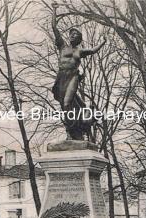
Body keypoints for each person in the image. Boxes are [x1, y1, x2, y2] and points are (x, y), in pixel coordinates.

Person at [51, 2, 106, 140]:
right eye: (71, 34)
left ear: (79, 38)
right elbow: (54, 27)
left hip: (73, 77)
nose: (72, 35)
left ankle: (72, 129)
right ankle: (72, 130)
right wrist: (54, 10)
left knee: (67, 103)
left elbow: (93, 50)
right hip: (61, 77)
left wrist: (103, 42)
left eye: (75, 34)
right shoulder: (62, 47)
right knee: (64, 106)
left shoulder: (79, 51)